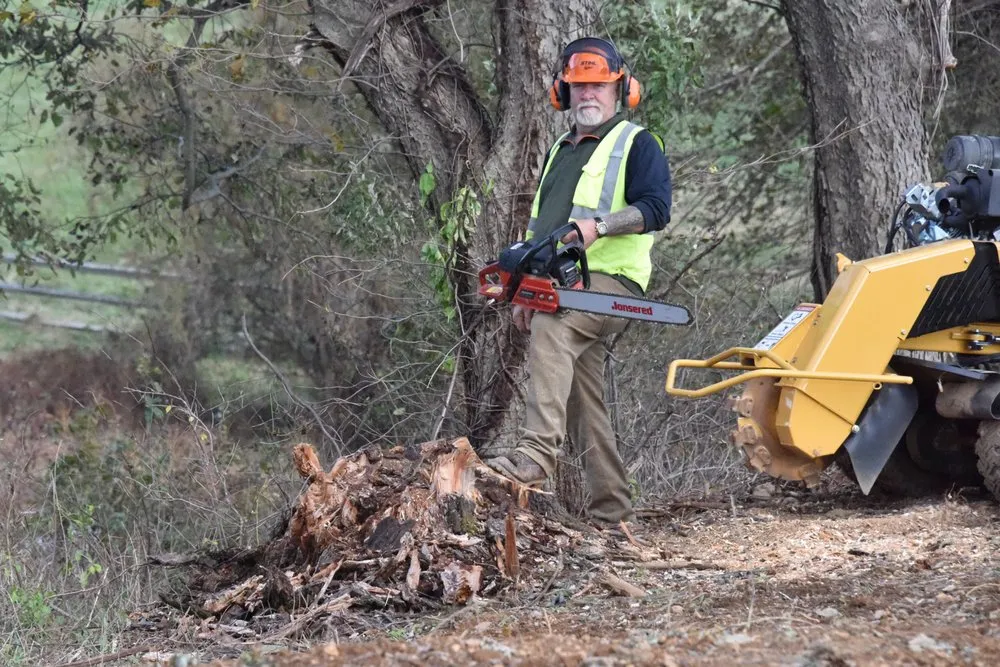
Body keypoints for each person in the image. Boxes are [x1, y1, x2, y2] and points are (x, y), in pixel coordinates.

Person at [484, 37, 672, 527]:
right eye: (579, 85)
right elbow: (541, 231)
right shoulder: (559, 152)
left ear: (622, 90)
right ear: (563, 92)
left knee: (555, 323)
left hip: (615, 282)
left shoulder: (637, 143)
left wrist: (598, 226)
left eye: (599, 86)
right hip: (565, 282)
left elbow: (656, 209)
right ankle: (613, 511)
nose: (589, 94)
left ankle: (534, 460)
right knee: (584, 397)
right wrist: (525, 288)